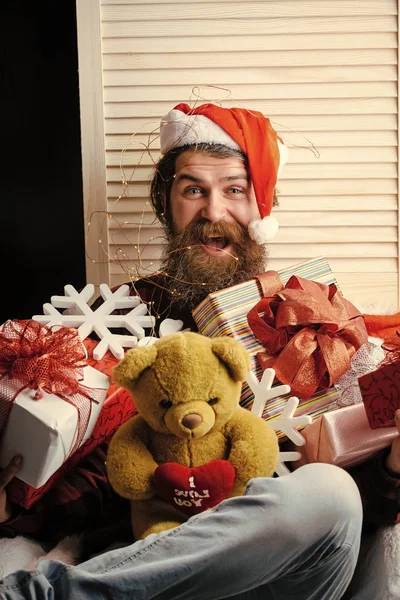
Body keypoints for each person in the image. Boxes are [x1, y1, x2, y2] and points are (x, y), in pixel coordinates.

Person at [0, 102, 399, 599]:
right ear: (167, 202)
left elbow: (355, 515)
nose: (214, 213)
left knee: (330, 493)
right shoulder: (109, 320)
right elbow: (69, 483)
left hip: (275, 576)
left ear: (260, 208)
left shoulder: (310, 319)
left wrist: (391, 468)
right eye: (194, 190)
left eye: (235, 190)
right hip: (147, 568)